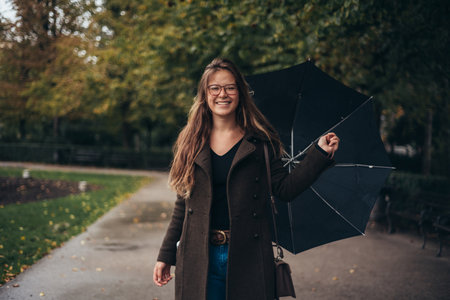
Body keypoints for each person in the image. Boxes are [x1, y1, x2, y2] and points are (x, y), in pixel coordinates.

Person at [153, 58, 339, 300]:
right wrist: (165, 255)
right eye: (215, 88)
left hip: (248, 255)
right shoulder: (191, 143)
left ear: (240, 92)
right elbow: (183, 203)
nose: (223, 94)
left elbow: (286, 189)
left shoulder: (262, 142)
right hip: (198, 256)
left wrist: (319, 154)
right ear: (205, 94)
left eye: (230, 87)